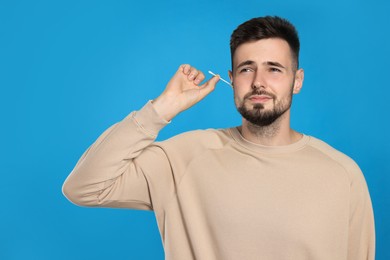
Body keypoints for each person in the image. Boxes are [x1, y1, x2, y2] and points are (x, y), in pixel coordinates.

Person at [62, 16, 375, 259]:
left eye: (275, 69)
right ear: (231, 79)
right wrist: (159, 110)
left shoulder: (342, 174)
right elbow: (83, 188)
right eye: (246, 69)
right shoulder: (183, 158)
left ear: (297, 80)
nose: (258, 82)